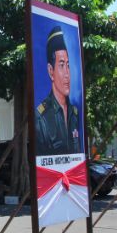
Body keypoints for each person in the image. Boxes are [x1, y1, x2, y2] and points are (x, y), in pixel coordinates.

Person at [35, 26, 81, 155]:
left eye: (68, 65)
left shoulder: (74, 113)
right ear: (51, 71)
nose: (67, 74)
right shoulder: (41, 118)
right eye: (61, 65)